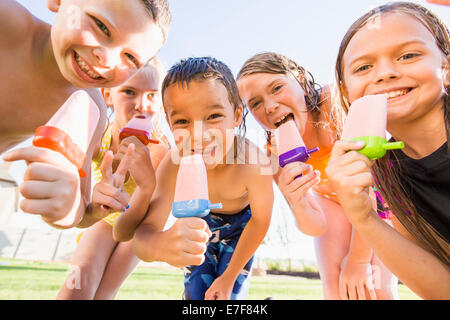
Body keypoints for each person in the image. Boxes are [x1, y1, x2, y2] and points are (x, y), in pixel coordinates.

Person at [237, 52, 398, 300]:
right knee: (334, 290)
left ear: (300, 80)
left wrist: (358, 259)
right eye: (255, 103)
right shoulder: (274, 150)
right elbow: (314, 226)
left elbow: (371, 189)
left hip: (379, 197)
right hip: (330, 199)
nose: (270, 106)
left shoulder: (334, 104)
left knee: (375, 287)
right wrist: (299, 204)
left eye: (277, 88)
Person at [1, 0, 171, 228]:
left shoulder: (91, 109)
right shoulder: (6, 23)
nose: (107, 60)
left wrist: (77, 208)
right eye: (101, 26)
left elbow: (80, 212)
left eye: (130, 58)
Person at [327, 2, 450, 299]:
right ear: (346, 91)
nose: (385, 73)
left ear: (446, 68)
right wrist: (362, 217)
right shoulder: (387, 174)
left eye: (408, 55)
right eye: (363, 67)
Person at [133, 56, 274, 300]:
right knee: (197, 295)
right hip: (200, 226)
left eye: (214, 116)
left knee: (228, 296)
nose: (199, 134)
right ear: (168, 122)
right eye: (182, 121)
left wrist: (228, 278)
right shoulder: (173, 163)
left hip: (243, 230)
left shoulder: (254, 161)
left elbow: (260, 222)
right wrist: (161, 245)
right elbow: (143, 237)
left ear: (237, 115)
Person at [57, 59, 169, 299]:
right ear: (108, 95)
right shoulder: (99, 137)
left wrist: (144, 185)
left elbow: (146, 212)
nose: (142, 105)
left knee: (104, 293)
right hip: (101, 219)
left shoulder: (160, 151)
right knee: (79, 281)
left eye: (152, 96)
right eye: (129, 92)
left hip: (138, 224)